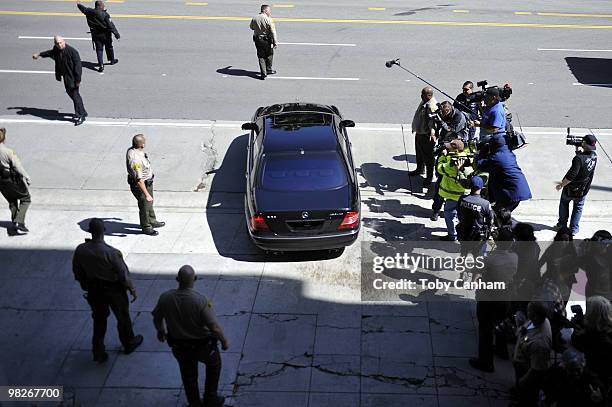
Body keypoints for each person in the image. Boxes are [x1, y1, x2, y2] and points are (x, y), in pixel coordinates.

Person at [153, 265, 229, 407]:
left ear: (177, 279)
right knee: (214, 365)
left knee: (188, 375)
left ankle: (194, 402)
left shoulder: (165, 298)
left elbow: (157, 317)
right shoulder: (200, 301)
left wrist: (160, 330)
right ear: (195, 279)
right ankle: (210, 397)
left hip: (180, 347)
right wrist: (224, 341)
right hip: (203, 346)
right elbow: (214, 327)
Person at [73, 218, 143, 362]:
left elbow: (77, 270)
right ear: (104, 231)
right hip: (113, 289)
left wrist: (85, 285)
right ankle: (128, 342)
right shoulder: (111, 253)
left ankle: (98, 351)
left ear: (89, 231)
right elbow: (123, 274)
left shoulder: (81, 249)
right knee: (122, 317)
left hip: (94, 289)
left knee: (99, 319)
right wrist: (132, 288)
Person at [470, 228, 518, 372]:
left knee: (486, 329)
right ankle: (502, 350)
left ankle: (486, 361)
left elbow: (476, 272)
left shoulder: (489, 258)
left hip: (488, 297)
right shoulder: (514, 257)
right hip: (505, 296)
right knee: (502, 323)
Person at [32, 36, 87, 125]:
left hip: (72, 78)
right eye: (57, 43)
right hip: (65, 76)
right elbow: (50, 53)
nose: (59, 45)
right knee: (74, 95)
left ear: (64, 41)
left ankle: (81, 115)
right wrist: (39, 54)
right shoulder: (56, 49)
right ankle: (82, 112)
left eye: (61, 42)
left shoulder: (73, 52)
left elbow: (78, 67)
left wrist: (78, 80)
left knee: (75, 96)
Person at [430, 101, 470, 220]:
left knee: (445, 185)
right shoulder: (442, 112)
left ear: (451, 109)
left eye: (446, 112)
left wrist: (444, 153)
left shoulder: (459, 117)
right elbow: (433, 121)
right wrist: (433, 128)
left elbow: (450, 130)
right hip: (447, 144)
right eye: (442, 112)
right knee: (439, 186)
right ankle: (436, 210)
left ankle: (458, 212)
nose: (444, 114)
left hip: (456, 142)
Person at [476, 133, 532, 217]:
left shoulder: (497, 157)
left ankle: (502, 228)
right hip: (516, 190)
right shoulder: (507, 151)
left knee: (497, 215)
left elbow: (480, 165)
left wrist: (482, 152)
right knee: (501, 215)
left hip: (512, 193)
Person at [554, 134, 598, 236]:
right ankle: (573, 229)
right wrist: (578, 151)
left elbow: (571, 176)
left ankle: (562, 225)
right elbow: (585, 164)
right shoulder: (594, 156)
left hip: (570, 189)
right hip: (583, 189)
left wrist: (561, 185)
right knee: (578, 208)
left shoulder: (578, 159)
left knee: (564, 204)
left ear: (584, 143)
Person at [512, 301, 552, 407]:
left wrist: (522, 382)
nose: (527, 312)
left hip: (526, 372)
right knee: (521, 394)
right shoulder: (539, 320)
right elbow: (527, 327)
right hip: (521, 363)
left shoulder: (540, 343)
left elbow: (536, 370)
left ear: (535, 315)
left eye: (529, 311)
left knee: (527, 397)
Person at [126, 134, 165, 235]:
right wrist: (146, 194)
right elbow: (139, 180)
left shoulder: (133, 150)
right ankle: (146, 227)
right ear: (142, 145)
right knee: (144, 206)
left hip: (147, 182)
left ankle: (152, 220)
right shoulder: (136, 160)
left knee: (149, 204)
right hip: (142, 185)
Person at [435, 139, 473, 241]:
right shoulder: (466, 157)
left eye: (450, 147)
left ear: (455, 151)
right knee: (461, 215)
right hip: (465, 194)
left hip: (453, 195)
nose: (447, 148)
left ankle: (453, 235)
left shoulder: (453, 164)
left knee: (450, 215)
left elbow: (440, 168)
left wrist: (443, 156)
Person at [572, 296, 612, 385]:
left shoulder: (597, 339)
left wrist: (579, 330)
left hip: (595, 382)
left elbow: (576, 342)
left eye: (587, 311)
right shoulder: (605, 330)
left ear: (592, 316)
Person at [0, 128, 32, 236]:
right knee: (26, 199)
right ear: (4, 139)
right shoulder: (8, 152)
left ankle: (14, 223)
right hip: (12, 180)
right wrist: (26, 177)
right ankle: (20, 221)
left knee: (12, 202)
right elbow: (17, 166)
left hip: (2, 183)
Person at [77, 0, 120, 73]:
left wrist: (78, 4)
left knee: (99, 50)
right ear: (100, 6)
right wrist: (117, 34)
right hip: (105, 34)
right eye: (103, 5)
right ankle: (112, 60)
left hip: (96, 34)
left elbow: (83, 9)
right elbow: (111, 26)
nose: (104, 7)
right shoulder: (105, 14)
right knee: (109, 46)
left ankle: (101, 65)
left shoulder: (89, 11)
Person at [456, 176, 494, 257]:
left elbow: (458, 213)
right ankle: (476, 267)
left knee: (464, 250)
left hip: (463, 231)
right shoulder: (485, 203)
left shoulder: (462, 198)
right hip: (477, 234)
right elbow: (490, 220)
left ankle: (462, 263)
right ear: (481, 187)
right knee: (478, 253)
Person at [410, 86, 438, 188]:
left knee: (428, 158)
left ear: (429, 95)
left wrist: (432, 133)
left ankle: (429, 177)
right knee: (419, 153)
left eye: (423, 94)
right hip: (419, 133)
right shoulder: (424, 102)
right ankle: (419, 169)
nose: (421, 96)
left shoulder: (432, 106)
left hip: (426, 136)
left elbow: (432, 123)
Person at [578, 230, 612, 300]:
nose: (604, 246)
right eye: (601, 244)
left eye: (607, 243)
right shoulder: (589, 257)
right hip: (594, 292)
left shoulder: (609, 254)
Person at [250, 4, 278, 80]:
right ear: (265, 10)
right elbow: (273, 31)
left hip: (257, 39)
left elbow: (251, 27)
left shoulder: (254, 18)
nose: (270, 12)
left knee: (261, 56)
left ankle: (263, 73)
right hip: (266, 40)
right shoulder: (269, 19)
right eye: (269, 11)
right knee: (269, 54)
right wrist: (275, 42)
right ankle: (268, 69)